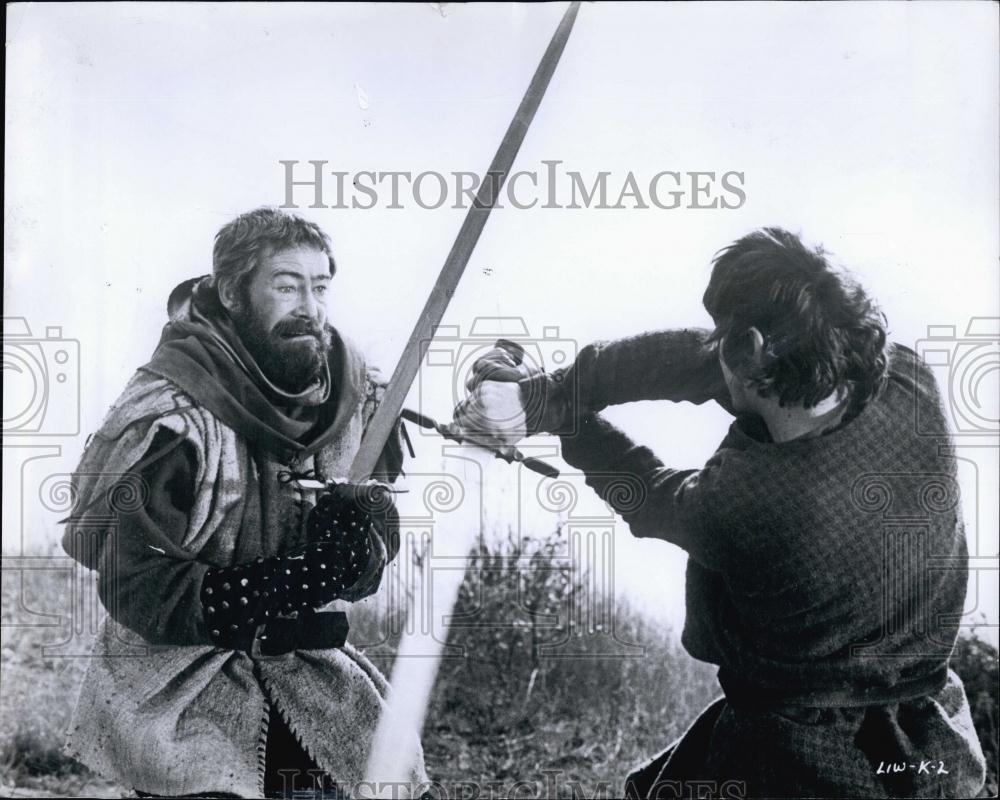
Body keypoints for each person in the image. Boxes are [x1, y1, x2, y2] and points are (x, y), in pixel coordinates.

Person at [453, 228, 987, 798]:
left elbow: (650, 492)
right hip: (933, 744)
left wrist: (560, 414)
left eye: (725, 337)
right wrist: (549, 393)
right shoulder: (905, 379)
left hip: (800, 760)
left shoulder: (745, 503)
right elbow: (704, 363)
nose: (713, 352)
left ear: (754, 348)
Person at [61, 207, 427, 798]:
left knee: (388, 782)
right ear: (232, 293)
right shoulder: (171, 415)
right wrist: (285, 580)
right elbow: (135, 582)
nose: (310, 306)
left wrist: (354, 552)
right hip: (179, 679)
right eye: (287, 287)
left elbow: (376, 556)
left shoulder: (359, 401)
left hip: (308, 669)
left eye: (320, 287)